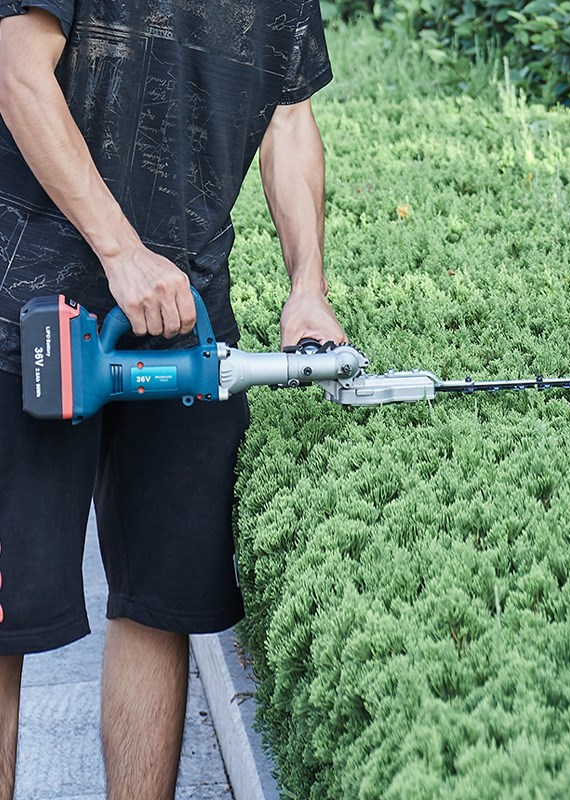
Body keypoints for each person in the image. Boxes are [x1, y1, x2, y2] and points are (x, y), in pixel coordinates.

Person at [0, 0, 346, 797]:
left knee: (162, 605)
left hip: (185, 309)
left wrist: (307, 288)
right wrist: (122, 252)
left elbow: (287, 119)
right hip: (26, 301)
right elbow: (19, 76)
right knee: (5, 617)